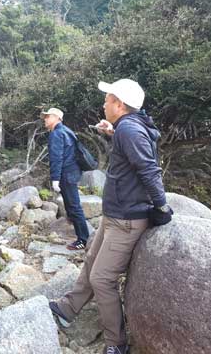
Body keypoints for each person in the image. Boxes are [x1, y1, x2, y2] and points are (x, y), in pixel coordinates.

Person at [49, 79, 172, 354]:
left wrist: (162, 206)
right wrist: (112, 133)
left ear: (119, 104)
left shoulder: (130, 131)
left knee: (102, 278)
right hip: (115, 213)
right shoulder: (127, 128)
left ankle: (116, 344)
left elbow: (148, 169)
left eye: (107, 99)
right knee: (91, 259)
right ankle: (68, 307)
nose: (104, 103)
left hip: (127, 220)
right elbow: (133, 154)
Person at [41, 107, 90, 250]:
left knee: (74, 207)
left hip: (66, 174)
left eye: (48, 116)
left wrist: (55, 178)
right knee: (72, 206)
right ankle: (79, 233)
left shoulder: (56, 134)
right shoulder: (67, 131)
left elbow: (57, 158)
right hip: (73, 172)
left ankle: (84, 239)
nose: (45, 119)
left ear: (57, 118)